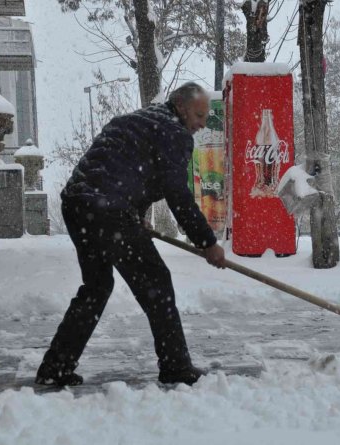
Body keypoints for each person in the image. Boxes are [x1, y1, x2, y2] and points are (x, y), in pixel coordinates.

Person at [35, 82, 226, 387]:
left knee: (97, 286)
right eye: (199, 115)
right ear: (180, 106)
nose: (202, 125)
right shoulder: (174, 133)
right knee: (157, 284)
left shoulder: (136, 121)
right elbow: (176, 192)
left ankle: (55, 366)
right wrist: (207, 243)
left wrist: (135, 218)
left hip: (78, 205)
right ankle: (175, 366)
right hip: (108, 210)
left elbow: (123, 170)